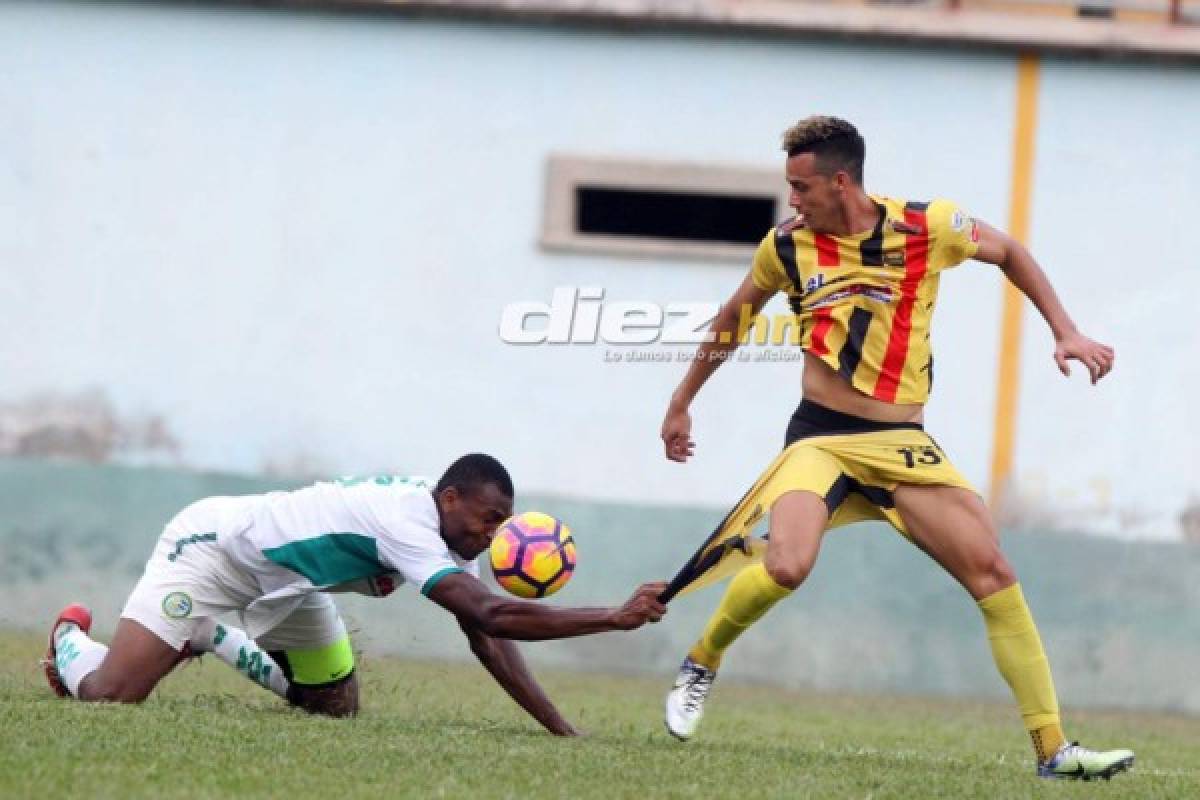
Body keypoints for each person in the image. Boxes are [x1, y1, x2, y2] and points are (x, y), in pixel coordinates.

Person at [658, 116, 1132, 780]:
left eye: (801, 186)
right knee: (788, 565)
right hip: (820, 437)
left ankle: (1054, 751)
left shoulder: (928, 225)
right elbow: (735, 319)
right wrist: (682, 401)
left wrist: (1066, 331)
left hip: (901, 443)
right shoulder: (785, 249)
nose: (792, 201)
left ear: (841, 181)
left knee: (993, 575)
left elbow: (1012, 253)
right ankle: (703, 660)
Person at [44, 453, 666, 732]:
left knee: (333, 708)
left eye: (505, 521)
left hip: (289, 588)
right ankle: (72, 640)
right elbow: (493, 615)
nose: (495, 534)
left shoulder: (451, 536)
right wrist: (612, 617)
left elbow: (489, 641)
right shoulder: (408, 525)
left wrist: (559, 728)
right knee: (111, 697)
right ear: (450, 500)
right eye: (489, 518)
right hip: (212, 553)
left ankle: (214, 638)